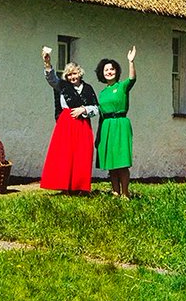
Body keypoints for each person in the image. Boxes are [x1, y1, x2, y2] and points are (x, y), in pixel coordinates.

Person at [40, 52, 98, 193]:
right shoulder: (63, 86)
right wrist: (47, 64)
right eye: (69, 75)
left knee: (81, 154)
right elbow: (52, 79)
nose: (72, 77)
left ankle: (79, 186)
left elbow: (96, 108)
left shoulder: (88, 88)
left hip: (83, 125)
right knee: (64, 154)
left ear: (80, 74)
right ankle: (64, 186)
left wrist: (83, 109)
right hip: (66, 124)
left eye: (74, 74)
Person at [95, 47, 137, 198]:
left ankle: (125, 193)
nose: (109, 72)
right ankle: (115, 191)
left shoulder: (122, 86)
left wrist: (131, 62)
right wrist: (98, 135)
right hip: (106, 126)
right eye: (106, 70)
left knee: (121, 161)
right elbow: (100, 113)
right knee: (112, 162)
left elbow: (132, 79)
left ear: (116, 71)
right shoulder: (102, 93)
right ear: (102, 73)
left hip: (120, 124)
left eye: (112, 69)